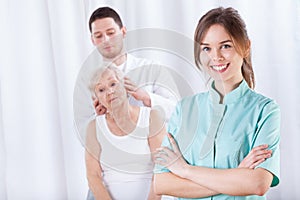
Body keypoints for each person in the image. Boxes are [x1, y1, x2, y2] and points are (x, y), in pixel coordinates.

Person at [153, 7, 280, 200]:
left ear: (245, 46)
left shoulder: (265, 111)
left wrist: (185, 170)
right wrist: (236, 176)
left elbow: (258, 183)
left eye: (226, 46)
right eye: (206, 48)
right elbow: (161, 183)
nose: (216, 57)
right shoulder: (184, 110)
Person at [73, 6, 179, 140]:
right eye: (98, 36)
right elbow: (82, 129)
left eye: (111, 33)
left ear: (123, 32)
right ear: (93, 40)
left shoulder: (151, 69)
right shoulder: (86, 80)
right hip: (113, 155)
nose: (105, 40)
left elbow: (178, 113)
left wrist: (146, 97)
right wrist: (101, 120)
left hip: (156, 152)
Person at [85, 65, 165, 200]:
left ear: (125, 85)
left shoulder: (151, 117)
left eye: (113, 84)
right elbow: (93, 176)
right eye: (101, 89)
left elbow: (162, 167)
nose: (109, 92)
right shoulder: (93, 127)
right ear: (97, 98)